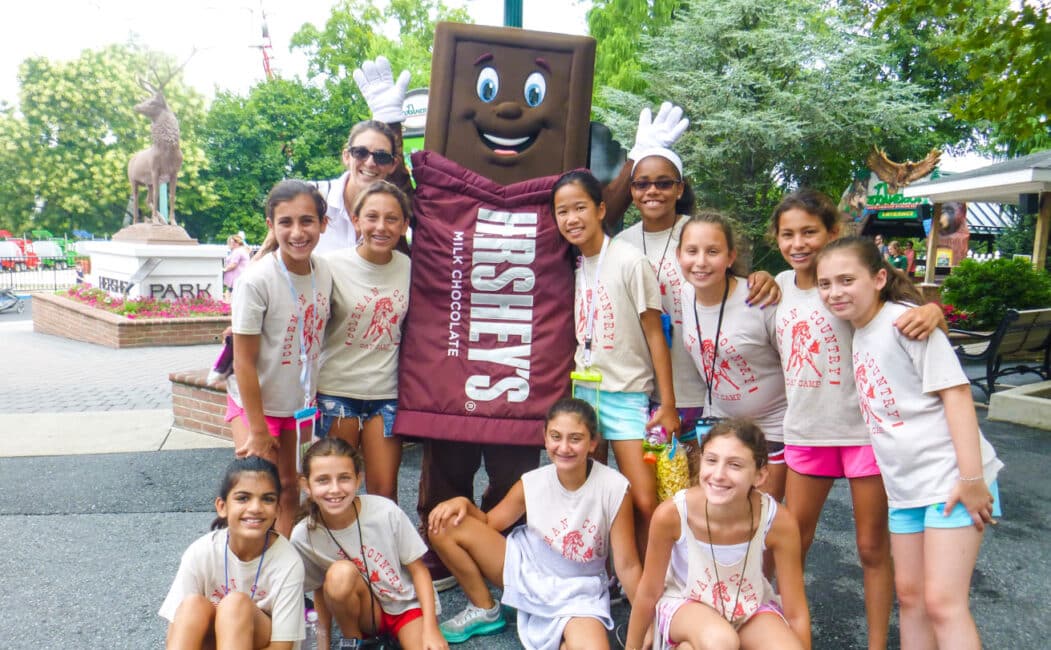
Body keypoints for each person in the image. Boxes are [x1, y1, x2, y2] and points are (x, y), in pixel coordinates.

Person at [769, 189, 943, 650]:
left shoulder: (848, 281)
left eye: (809, 231)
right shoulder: (778, 287)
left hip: (865, 434)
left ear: (832, 233)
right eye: (788, 234)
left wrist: (933, 309)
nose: (798, 243)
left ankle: (875, 643)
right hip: (806, 432)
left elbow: (906, 307)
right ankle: (786, 634)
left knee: (870, 547)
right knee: (793, 542)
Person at [816, 237, 1003, 650]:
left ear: (879, 278)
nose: (835, 291)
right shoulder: (860, 328)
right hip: (905, 490)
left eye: (847, 279)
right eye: (825, 283)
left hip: (951, 479)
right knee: (911, 599)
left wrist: (972, 479)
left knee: (943, 603)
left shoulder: (906, 322)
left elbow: (956, 395)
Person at [427, 398, 642, 648]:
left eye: (575, 438)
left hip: (579, 592)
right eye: (556, 436)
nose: (564, 447)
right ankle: (484, 608)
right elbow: (489, 522)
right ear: (545, 437)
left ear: (593, 443)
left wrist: (649, 624)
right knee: (443, 523)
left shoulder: (614, 487)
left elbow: (627, 565)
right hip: (526, 569)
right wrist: (464, 504)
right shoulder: (532, 481)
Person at [614, 146, 780, 454]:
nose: (653, 191)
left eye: (664, 183)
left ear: (679, 188)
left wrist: (769, 278)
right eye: (642, 183)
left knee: (705, 484)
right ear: (632, 190)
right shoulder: (622, 244)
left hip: (701, 390)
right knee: (660, 483)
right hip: (640, 389)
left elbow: (729, 279)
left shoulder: (696, 232)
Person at [551, 169, 679, 558]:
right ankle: (607, 571)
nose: (571, 219)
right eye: (562, 212)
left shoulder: (629, 260)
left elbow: (656, 334)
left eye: (580, 208)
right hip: (585, 392)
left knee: (643, 498)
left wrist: (668, 404)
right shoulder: (572, 264)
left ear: (601, 209)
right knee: (592, 493)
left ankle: (655, 577)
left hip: (626, 394)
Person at [624, 419, 810, 650]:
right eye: (711, 460)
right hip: (685, 602)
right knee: (720, 641)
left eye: (735, 465)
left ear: (759, 476)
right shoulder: (672, 514)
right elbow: (649, 592)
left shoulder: (777, 521)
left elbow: (796, 612)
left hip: (749, 604)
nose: (719, 475)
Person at [226, 179, 332, 536]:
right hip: (257, 404)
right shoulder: (257, 280)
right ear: (271, 226)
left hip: (298, 406)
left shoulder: (325, 272)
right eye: (286, 222)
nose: (297, 232)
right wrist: (257, 429)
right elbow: (243, 361)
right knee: (258, 493)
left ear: (323, 224)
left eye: (307, 221)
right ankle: (251, 576)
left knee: (289, 488)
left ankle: (285, 572)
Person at [291, 438, 446, 650]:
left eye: (344, 478)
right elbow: (319, 590)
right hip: (366, 613)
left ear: (358, 479)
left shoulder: (385, 512)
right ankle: (353, 642)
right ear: (306, 485)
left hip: (406, 605)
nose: (335, 489)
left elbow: (419, 571)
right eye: (323, 480)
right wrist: (322, 646)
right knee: (339, 574)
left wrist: (431, 629)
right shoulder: (303, 535)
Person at [677, 212, 789, 500]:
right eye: (692, 251)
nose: (701, 261)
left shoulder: (759, 299)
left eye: (712, 251)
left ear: (730, 257)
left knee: (760, 518)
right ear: (679, 256)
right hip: (719, 423)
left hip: (772, 428)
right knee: (717, 514)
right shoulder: (685, 296)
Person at [317, 180, 411, 500]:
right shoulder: (329, 266)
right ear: (356, 220)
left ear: (404, 225)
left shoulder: (411, 269)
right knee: (336, 492)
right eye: (371, 217)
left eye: (391, 218)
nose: (381, 227)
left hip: (386, 394)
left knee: (384, 493)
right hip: (336, 392)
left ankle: (379, 552)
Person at [159, 456, 306, 649]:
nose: (255, 508)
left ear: (278, 510)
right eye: (243, 498)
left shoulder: (288, 562)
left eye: (267, 499)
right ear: (222, 506)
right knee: (192, 605)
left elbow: (282, 646)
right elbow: (176, 632)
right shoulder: (201, 551)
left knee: (236, 605)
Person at [222, 234, 250, 300]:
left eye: (231, 242)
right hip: (240, 277)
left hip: (236, 277)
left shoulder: (237, 251)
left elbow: (233, 264)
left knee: (230, 295)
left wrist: (224, 269)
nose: (230, 244)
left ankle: (228, 307)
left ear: (236, 243)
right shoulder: (242, 250)